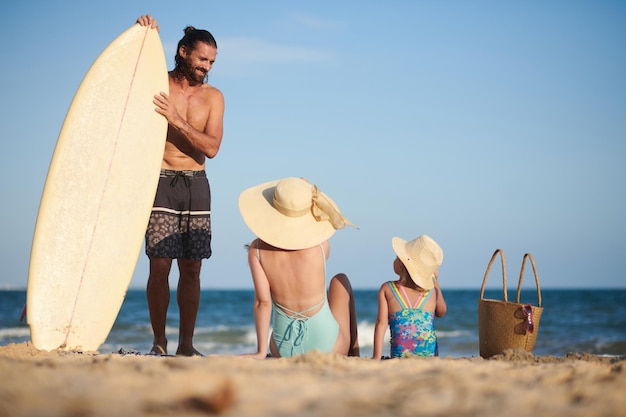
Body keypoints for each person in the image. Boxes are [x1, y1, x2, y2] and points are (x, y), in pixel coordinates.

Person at [136, 15, 225, 356]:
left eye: (212, 62)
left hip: (196, 184)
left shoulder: (214, 97)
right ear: (183, 52)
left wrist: (176, 120)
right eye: (202, 59)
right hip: (160, 181)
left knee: (193, 267)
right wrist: (144, 34)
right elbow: (133, 70)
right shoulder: (159, 84)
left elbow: (212, 148)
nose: (207, 67)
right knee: (160, 264)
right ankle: (159, 343)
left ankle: (186, 345)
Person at [238, 177, 360, 358]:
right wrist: (304, 192)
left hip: (282, 348)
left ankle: (263, 349)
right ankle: (354, 352)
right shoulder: (321, 246)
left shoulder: (256, 251)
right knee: (340, 280)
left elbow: (262, 303)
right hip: (330, 346)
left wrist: (261, 351)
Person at [372, 235, 447, 359]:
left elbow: (381, 323)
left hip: (399, 356)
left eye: (397, 257)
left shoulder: (387, 288)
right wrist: (435, 282)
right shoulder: (432, 291)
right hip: (430, 356)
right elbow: (441, 312)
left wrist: (376, 356)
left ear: (401, 266)